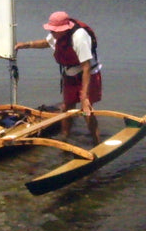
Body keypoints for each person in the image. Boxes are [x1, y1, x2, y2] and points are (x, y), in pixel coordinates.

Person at [15, 11, 102, 143]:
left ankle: (97, 142)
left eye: (55, 30)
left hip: (87, 75)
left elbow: (86, 67)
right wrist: (26, 45)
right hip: (70, 74)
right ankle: (65, 138)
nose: (52, 32)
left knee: (86, 111)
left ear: (65, 29)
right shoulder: (57, 35)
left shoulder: (79, 37)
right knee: (67, 108)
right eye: (51, 30)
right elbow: (46, 42)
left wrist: (84, 97)